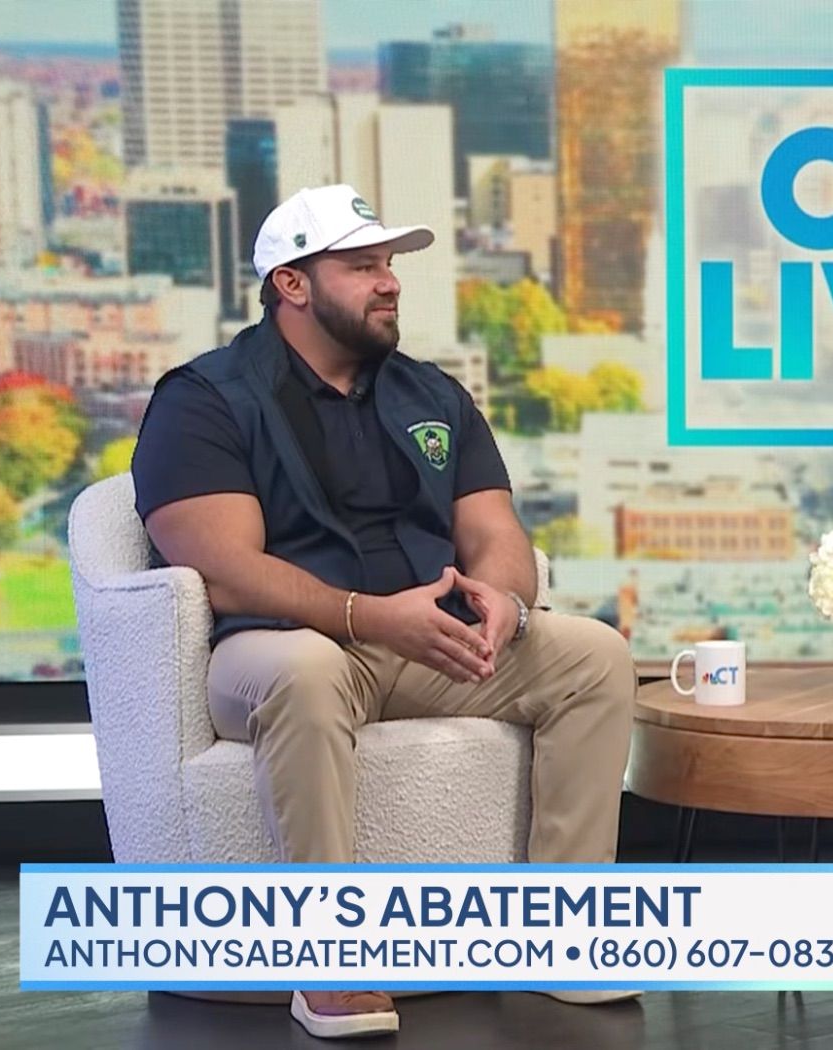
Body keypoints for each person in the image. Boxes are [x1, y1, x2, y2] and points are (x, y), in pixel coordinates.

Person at [131, 185, 639, 1039]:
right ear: (292, 284)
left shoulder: (430, 394)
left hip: (427, 639)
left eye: (391, 264)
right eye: (362, 266)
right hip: (282, 649)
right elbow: (226, 572)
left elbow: (492, 526)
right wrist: (369, 616)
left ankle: (565, 931)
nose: (389, 282)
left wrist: (506, 601)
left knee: (592, 654)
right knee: (306, 667)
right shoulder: (206, 399)